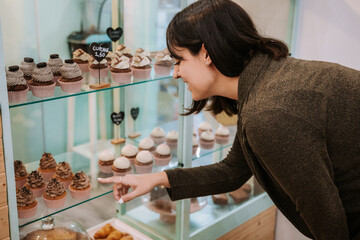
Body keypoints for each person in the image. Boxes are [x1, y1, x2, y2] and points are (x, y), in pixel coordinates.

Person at [98, 0, 360, 239]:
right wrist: (154, 179)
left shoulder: (269, 112)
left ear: (206, 53)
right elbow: (233, 171)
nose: (175, 73)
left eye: (179, 60)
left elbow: (328, 221)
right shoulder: (267, 81)